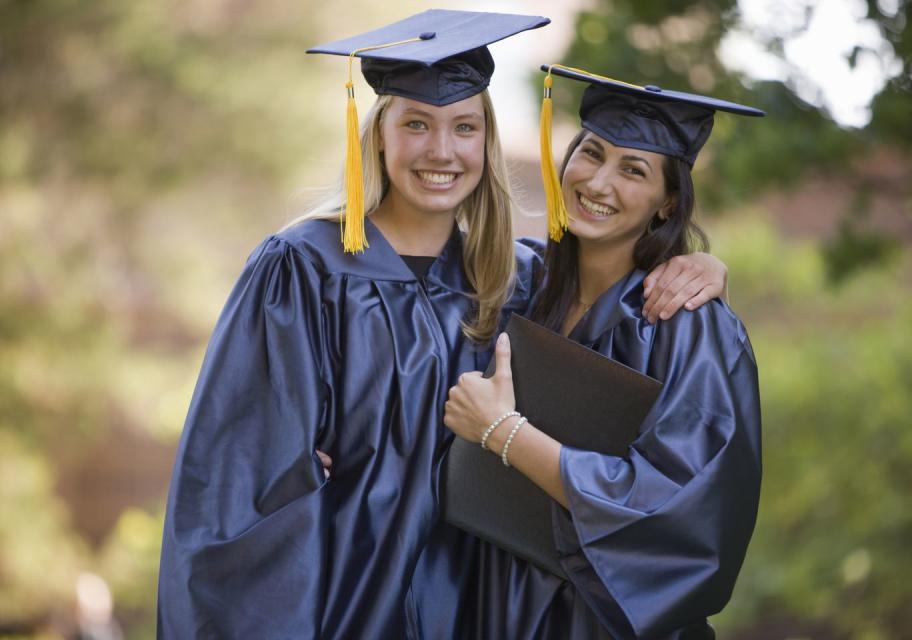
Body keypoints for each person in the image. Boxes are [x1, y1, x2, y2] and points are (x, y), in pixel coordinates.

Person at [156, 10, 730, 636]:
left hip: (483, 608)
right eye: (416, 125)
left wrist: (695, 264)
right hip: (345, 601)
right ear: (378, 135)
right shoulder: (301, 271)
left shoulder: (523, 282)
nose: (441, 150)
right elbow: (240, 489)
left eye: (464, 127)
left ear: (486, 141)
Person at [443, 65, 763, 639]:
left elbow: (679, 508)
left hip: (598, 620)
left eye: (633, 169)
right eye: (591, 153)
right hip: (493, 597)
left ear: (668, 203)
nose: (597, 182)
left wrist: (503, 432)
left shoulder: (685, 328)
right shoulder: (517, 280)